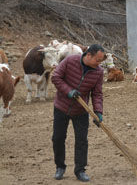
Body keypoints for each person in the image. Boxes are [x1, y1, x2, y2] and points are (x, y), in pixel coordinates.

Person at [51, 44, 106, 182]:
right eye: (97, 60)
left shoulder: (98, 72)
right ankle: (60, 167)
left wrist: (98, 111)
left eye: (101, 61)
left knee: (82, 141)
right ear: (88, 55)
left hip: (81, 110)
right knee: (58, 138)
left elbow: (97, 94)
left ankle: (80, 170)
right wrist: (68, 91)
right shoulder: (70, 61)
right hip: (61, 107)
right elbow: (56, 77)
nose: (99, 64)